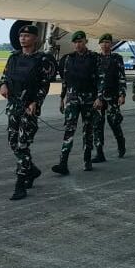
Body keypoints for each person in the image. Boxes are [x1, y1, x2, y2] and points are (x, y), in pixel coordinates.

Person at [0, 25, 56, 201]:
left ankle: (20, 183)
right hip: (13, 106)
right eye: (21, 35)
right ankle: (32, 170)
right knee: (13, 142)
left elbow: (44, 84)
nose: (23, 38)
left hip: (28, 108)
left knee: (23, 145)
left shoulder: (43, 59)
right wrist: (2, 85)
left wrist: (36, 102)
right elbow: (4, 77)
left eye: (27, 36)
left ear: (35, 39)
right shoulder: (13, 58)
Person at [53, 30, 104, 174]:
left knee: (88, 130)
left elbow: (101, 78)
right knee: (69, 129)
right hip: (72, 98)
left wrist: (99, 97)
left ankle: (87, 159)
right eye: (75, 42)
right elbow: (65, 80)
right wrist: (62, 98)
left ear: (85, 42)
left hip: (89, 99)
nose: (77, 45)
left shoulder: (95, 58)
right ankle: (63, 163)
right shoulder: (69, 59)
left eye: (80, 42)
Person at [93, 33, 127, 161]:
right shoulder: (95, 58)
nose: (105, 45)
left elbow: (121, 77)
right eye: (103, 42)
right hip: (98, 98)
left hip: (112, 97)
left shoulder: (117, 58)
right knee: (97, 125)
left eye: (108, 42)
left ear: (111, 44)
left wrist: (122, 94)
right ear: (100, 44)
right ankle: (99, 152)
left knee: (114, 122)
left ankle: (121, 144)